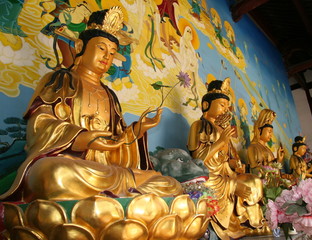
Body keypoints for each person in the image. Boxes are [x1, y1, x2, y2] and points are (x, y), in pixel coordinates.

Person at [0, 7, 182, 202]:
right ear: (80, 47)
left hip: (106, 170)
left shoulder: (110, 95)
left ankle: (116, 194)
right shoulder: (61, 79)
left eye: (112, 53)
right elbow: (40, 124)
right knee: (53, 174)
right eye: (101, 48)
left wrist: (137, 130)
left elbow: (117, 143)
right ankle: (122, 198)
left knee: (171, 184)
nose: (107, 57)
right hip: (72, 164)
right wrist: (82, 138)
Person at [187, 78, 265, 240]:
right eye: (222, 105)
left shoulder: (222, 130)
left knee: (254, 181)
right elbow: (198, 158)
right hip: (209, 176)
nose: (225, 110)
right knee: (230, 186)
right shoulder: (198, 125)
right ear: (206, 105)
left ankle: (252, 223)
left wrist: (235, 164)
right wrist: (221, 141)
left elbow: (224, 159)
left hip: (225, 174)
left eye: (227, 106)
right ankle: (230, 227)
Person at [247, 109, 284, 175]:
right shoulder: (253, 148)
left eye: (271, 121)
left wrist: (278, 160)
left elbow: (274, 169)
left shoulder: (268, 150)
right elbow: (254, 170)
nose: (271, 135)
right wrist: (269, 172)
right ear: (259, 130)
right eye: (269, 132)